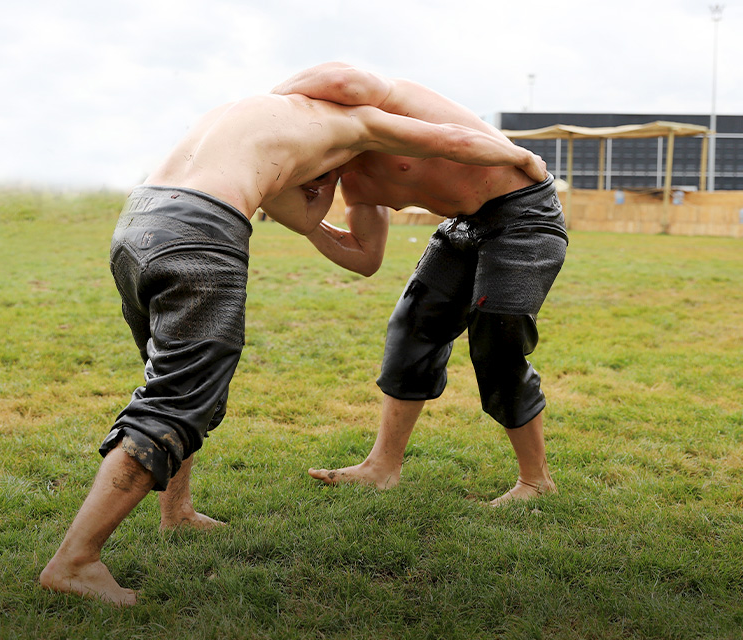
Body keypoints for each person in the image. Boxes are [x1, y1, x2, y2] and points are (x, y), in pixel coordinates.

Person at [39, 86, 547, 606]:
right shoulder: (353, 123)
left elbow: (308, 222)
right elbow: (451, 140)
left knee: (169, 379)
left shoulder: (245, 117)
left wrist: (316, 188)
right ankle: (76, 561)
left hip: (138, 222)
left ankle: (178, 512)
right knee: (176, 401)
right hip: (199, 235)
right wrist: (522, 157)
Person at [271, 62, 565, 506]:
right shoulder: (352, 180)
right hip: (464, 224)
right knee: (411, 328)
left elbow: (344, 80)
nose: (317, 182)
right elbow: (365, 258)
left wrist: (267, 107)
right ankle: (381, 468)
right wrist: (305, 222)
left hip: (523, 214)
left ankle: (536, 480)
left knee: (497, 342)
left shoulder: (374, 105)